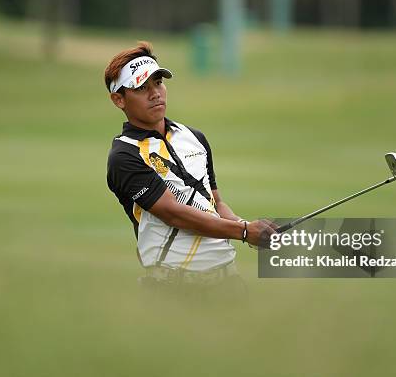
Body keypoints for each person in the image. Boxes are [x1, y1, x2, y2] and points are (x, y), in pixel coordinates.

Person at [105, 41, 275, 300]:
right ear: (119, 99)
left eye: (158, 83)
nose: (155, 94)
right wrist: (243, 232)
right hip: (173, 288)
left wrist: (249, 227)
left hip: (228, 282)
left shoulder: (193, 137)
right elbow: (175, 214)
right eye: (142, 88)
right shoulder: (124, 156)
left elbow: (214, 202)